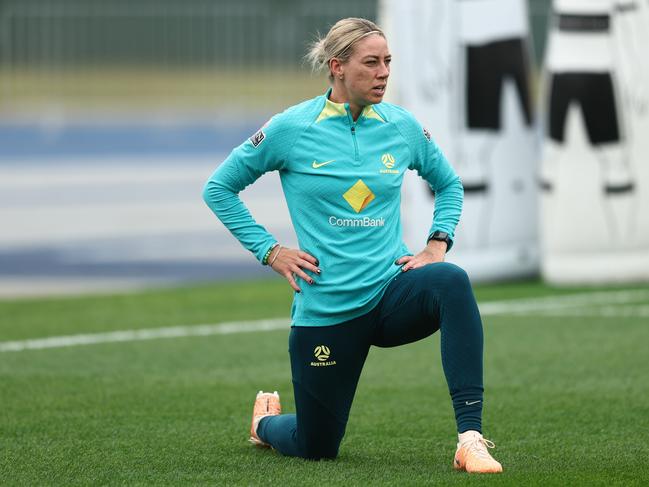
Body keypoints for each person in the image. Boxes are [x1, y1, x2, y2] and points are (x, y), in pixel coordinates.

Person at [203, 17, 502, 473]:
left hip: (389, 294)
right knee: (316, 446)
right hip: (328, 309)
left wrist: (436, 245)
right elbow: (219, 188)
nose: (383, 73)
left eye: (387, 62)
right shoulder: (292, 128)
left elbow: (449, 184)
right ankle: (265, 424)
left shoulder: (400, 126)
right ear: (337, 66)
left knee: (450, 283)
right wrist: (270, 250)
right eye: (371, 63)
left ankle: (470, 439)